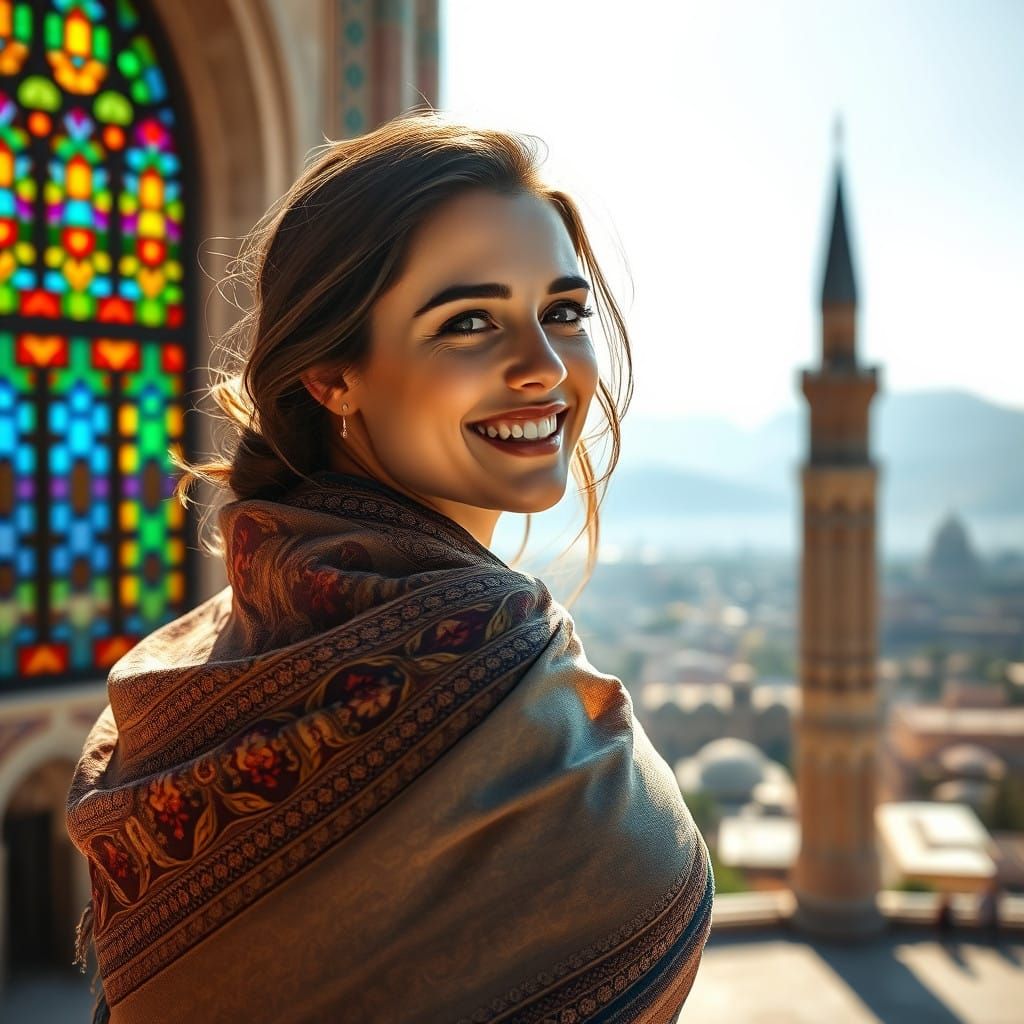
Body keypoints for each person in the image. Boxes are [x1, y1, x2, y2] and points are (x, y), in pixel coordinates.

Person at [66, 112, 714, 1023]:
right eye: (469, 323)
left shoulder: (199, 658)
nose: (543, 365)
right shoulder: (494, 667)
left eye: (563, 313)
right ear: (334, 376)